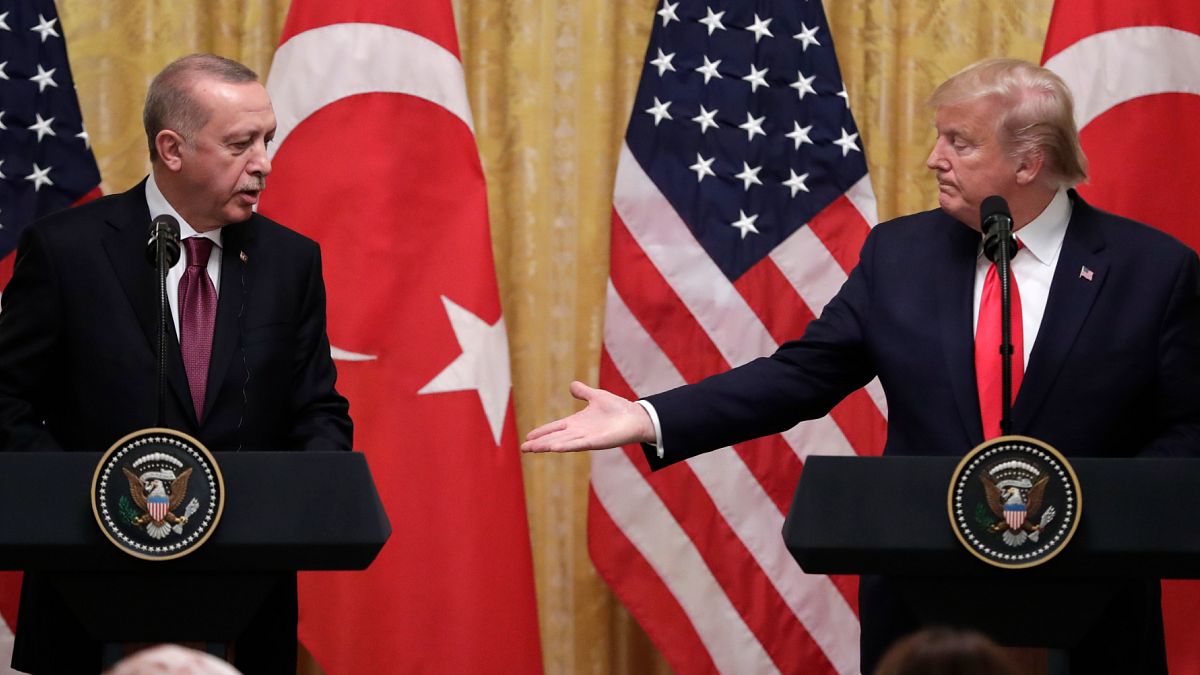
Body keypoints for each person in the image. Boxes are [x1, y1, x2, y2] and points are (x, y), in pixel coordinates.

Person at [523, 58, 1200, 673]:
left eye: (959, 142)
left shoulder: (1153, 271)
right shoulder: (899, 255)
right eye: (938, 137)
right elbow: (802, 375)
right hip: (922, 603)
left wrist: (1099, 509)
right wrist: (650, 416)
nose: (934, 159)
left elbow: (1189, 427)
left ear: (1029, 163)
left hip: (1091, 606)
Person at [0, 54, 352, 674]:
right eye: (241, 144)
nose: (264, 163)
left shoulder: (291, 261)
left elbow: (318, 408)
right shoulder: (65, 250)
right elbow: (7, 400)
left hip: (244, 596)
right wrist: (82, 498)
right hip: (89, 593)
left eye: (267, 139)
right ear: (172, 149)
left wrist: (298, 494)